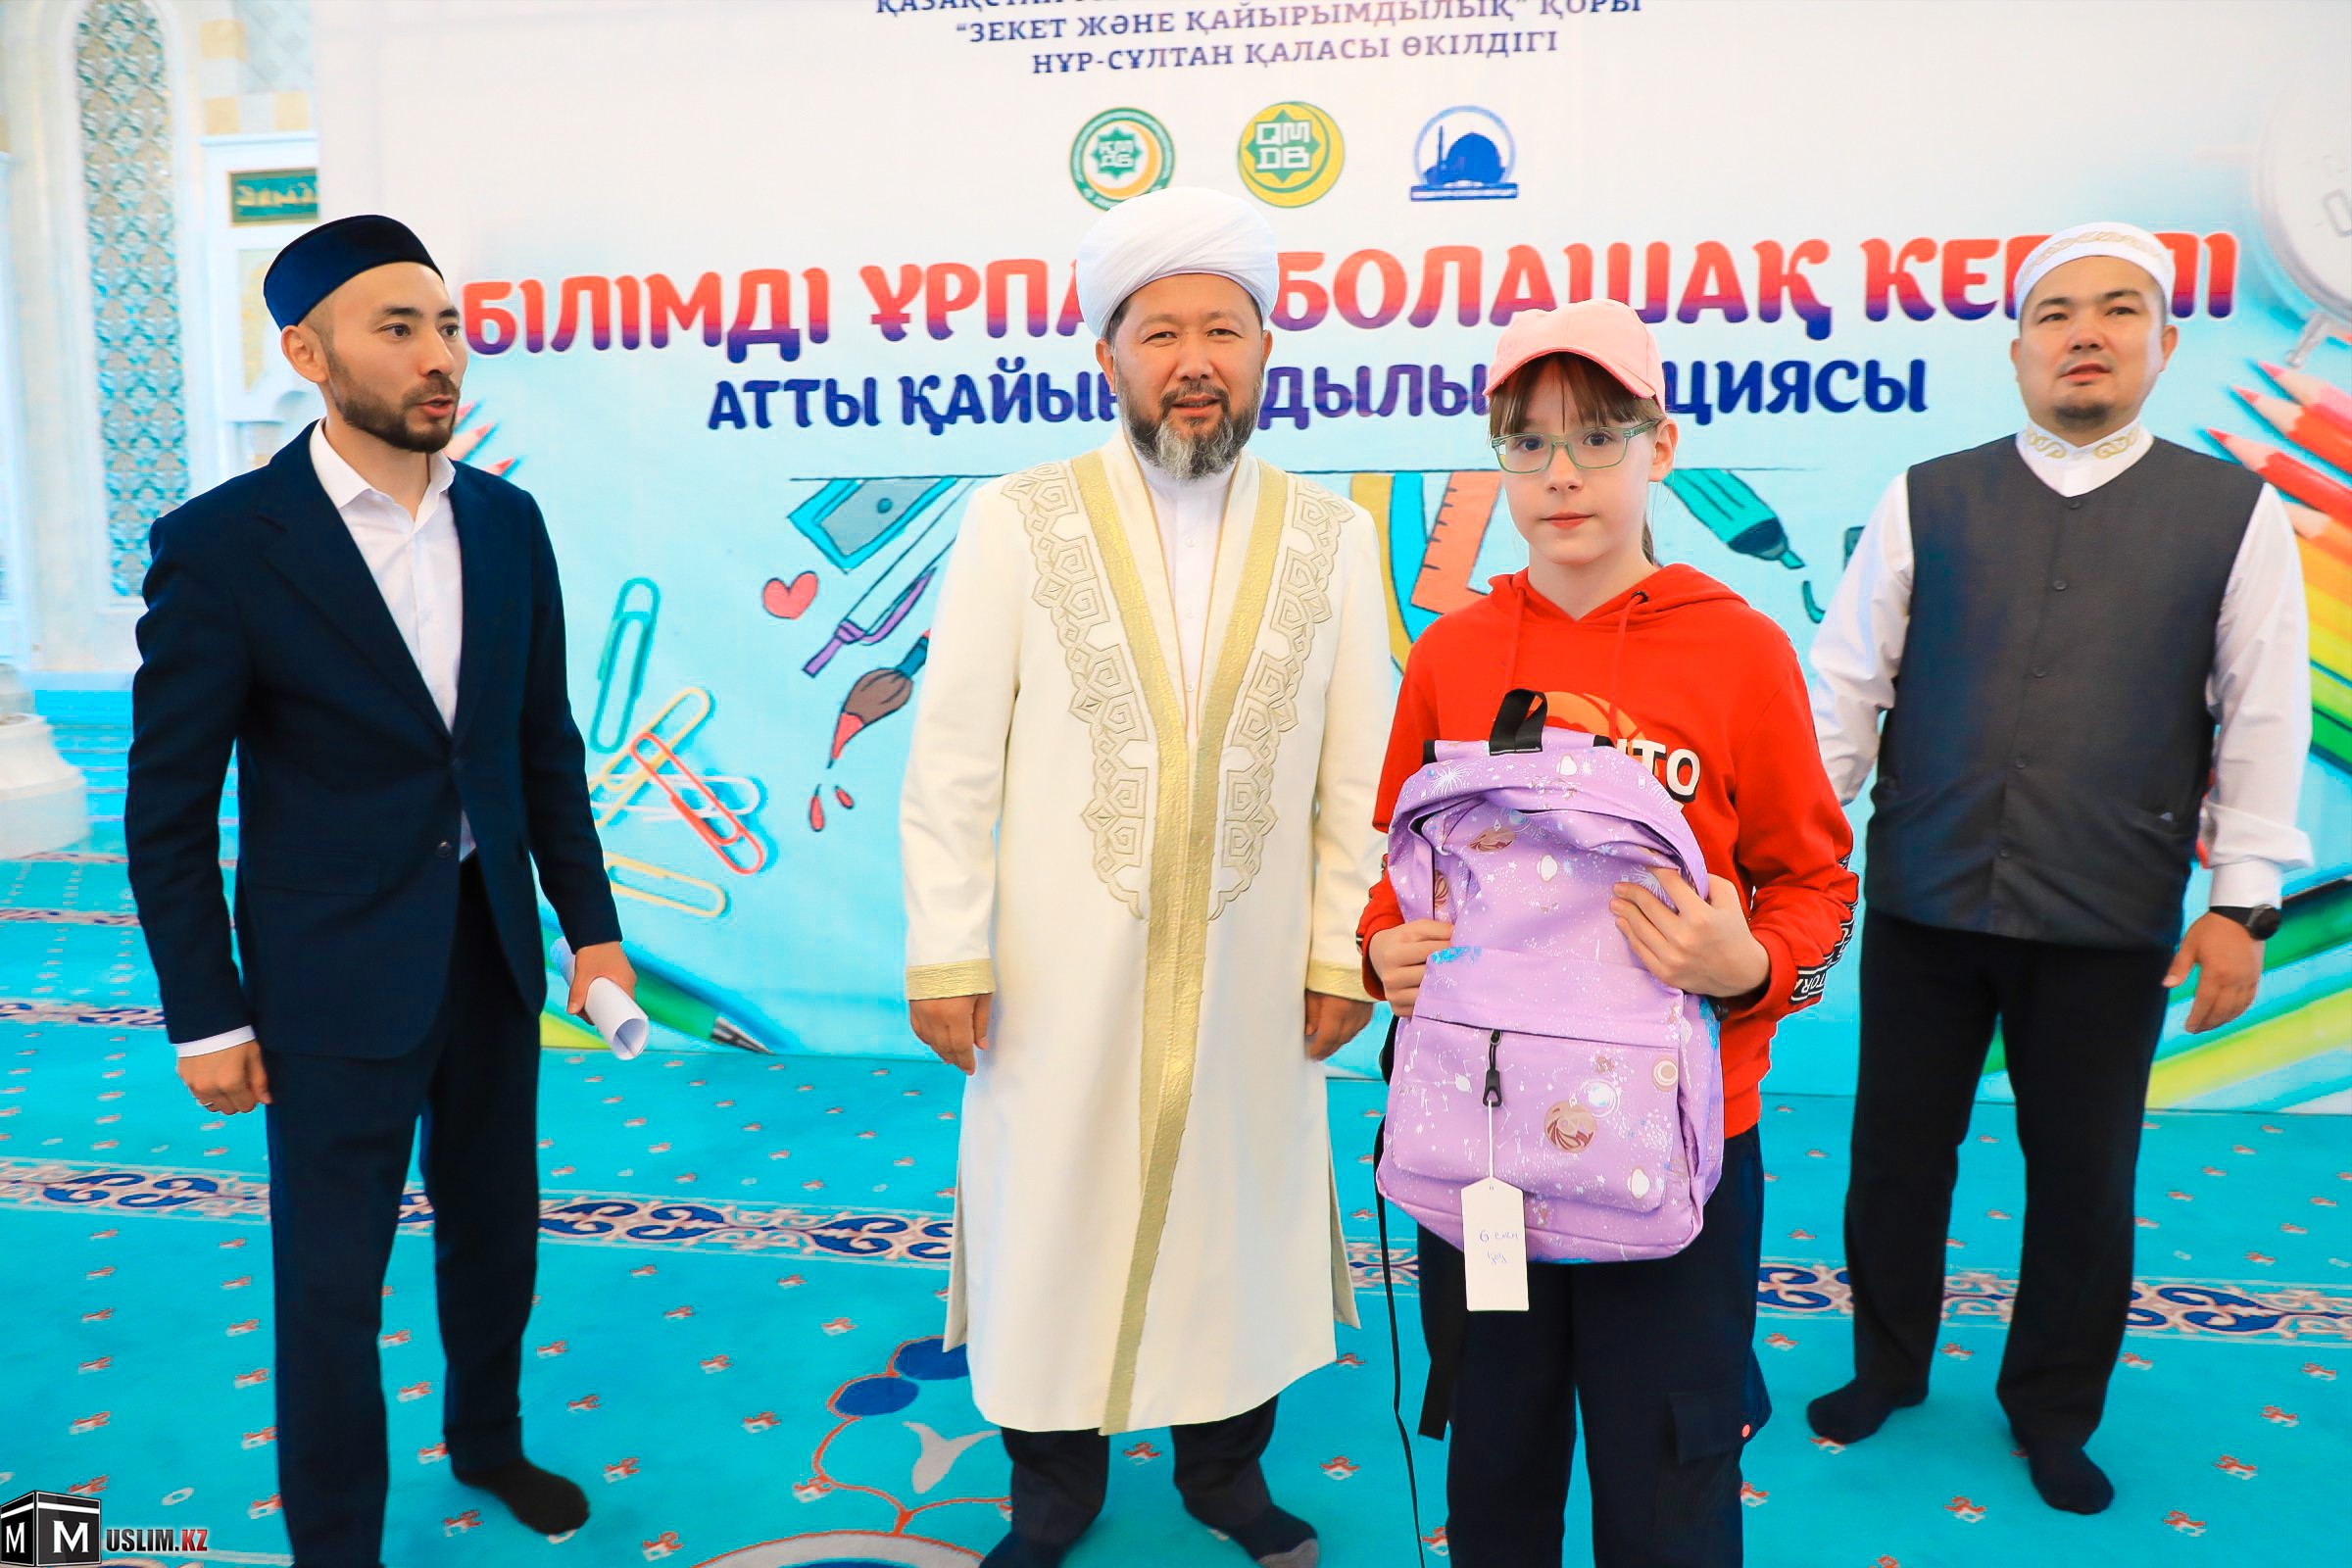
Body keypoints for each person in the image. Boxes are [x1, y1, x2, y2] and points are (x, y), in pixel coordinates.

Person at [124, 215, 636, 1568]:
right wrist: (206, 1015)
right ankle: (337, 1538)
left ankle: (488, 1442)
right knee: (333, 1281)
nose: (437, 357)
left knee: (497, 1234)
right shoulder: (226, 546)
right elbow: (167, 812)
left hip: (489, 951)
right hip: (327, 977)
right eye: (397, 329)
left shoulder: (508, 523)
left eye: (447, 326)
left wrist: (592, 933)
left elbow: (541, 749)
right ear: (309, 354)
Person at [897, 185, 1393, 1568]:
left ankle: (1225, 1476)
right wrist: (948, 949)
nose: (1194, 362)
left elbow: (1359, 775)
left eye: (1222, 330)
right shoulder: (1017, 520)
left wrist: (1339, 952)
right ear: (1107, 355)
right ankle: (1052, 1491)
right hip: (1055, 975)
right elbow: (953, 759)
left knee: (1237, 1217)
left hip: (1252, 975)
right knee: (1050, 1219)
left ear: (1265, 350)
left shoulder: (1333, 537)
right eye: (1160, 333)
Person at [1805, 220, 2313, 1514]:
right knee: (1895, 1160)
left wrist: (2243, 905)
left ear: (2164, 345)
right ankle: (1887, 1365)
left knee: (2083, 1183)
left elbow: (2265, 716)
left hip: (2109, 911)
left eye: (2118, 310)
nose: (2086, 333)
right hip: (1926, 900)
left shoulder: (2233, 514)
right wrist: (1794, 854)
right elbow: (1845, 693)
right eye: (2057, 313)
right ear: (2018, 349)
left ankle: (2052, 1412)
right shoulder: (1928, 496)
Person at [1360, 300, 1859, 1568]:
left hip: (1679, 1148)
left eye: (1598, 435)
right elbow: (1398, 871)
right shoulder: (1453, 654)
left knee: (1669, 1481)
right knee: (1497, 1461)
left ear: (1662, 447)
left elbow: (1816, 883)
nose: (1562, 473)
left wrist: (1752, 967)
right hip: (1481, 1150)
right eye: (1527, 443)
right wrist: (1383, 953)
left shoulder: (1740, 651)